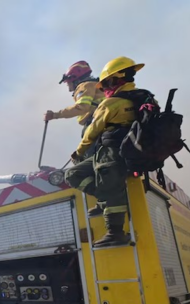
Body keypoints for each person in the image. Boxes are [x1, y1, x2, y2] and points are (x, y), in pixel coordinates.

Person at [65, 56, 148, 248]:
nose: (104, 89)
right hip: (137, 150)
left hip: (112, 151)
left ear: (113, 80)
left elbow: (92, 132)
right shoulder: (145, 97)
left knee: (85, 177)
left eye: (106, 84)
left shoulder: (111, 104)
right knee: (99, 181)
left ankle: (115, 233)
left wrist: (78, 153)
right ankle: (105, 200)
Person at [45, 61, 106, 155]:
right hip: (103, 122)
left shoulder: (84, 86)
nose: (69, 88)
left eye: (68, 83)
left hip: (94, 124)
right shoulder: (97, 85)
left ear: (74, 79)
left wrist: (55, 115)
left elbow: (82, 107)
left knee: (90, 157)